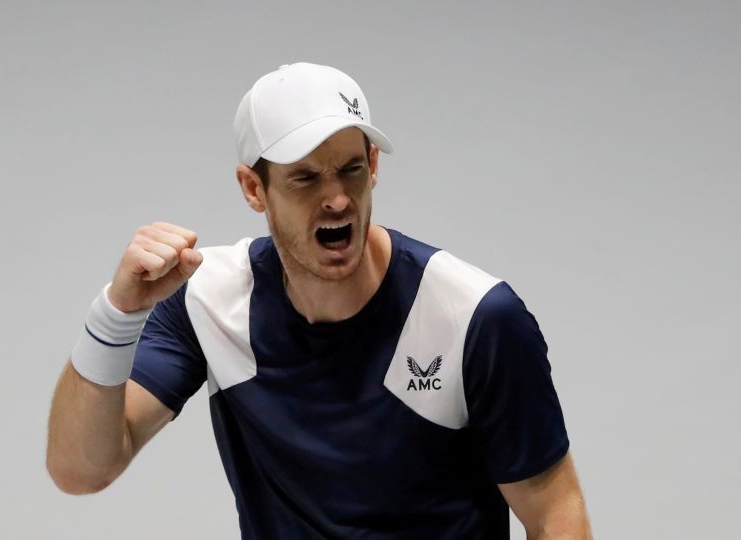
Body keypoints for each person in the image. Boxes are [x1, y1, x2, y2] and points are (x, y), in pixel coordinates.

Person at [46, 62, 592, 539]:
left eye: (351, 169)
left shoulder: (475, 317)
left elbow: (555, 515)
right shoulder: (206, 297)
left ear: (373, 164)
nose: (336, 198)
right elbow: (81, 469)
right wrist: (117, 315)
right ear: (253, 189)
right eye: (305, 178)